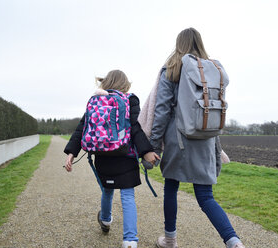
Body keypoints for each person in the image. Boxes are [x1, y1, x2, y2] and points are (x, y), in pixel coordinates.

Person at [149, 28, 245, 248]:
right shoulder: (211, 68)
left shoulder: (172, 68)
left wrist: (154, 145)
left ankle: (170, 239)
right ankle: (234, 242)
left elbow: (162, 110)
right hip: (206, 137)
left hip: (178, 138)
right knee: (205, 196)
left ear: (178, 44)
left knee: (171, 187)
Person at [64, 70, 160, 248]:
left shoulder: (96, 101)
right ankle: (130, 240)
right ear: (125, 84)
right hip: (125, 155)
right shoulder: (130, 99)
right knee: (128, 196)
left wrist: (71, 153)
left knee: (107, 191)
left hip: (102, 156)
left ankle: (106, 220)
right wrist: (145, 151)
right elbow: (135, 127)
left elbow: (82, 128)